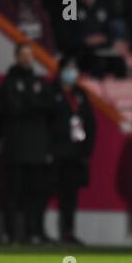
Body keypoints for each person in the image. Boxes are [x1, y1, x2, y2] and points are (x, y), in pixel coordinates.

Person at [0, 43, 54, 244]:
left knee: (36, 193)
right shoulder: (9, 83)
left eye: (30, 55)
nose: (28, 59)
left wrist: (29, 104)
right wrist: (34, 105)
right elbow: (11, 109)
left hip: (37, 149)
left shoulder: (40, 82)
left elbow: (49, 108)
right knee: (13, 193)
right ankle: (11, 234)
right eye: (24, 55)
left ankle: (33, 233)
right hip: (15, 148)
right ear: (16, 57)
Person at [50, 57, 96, 245]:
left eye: (74, 69)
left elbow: (91, 124)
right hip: (56, 151)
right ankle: (35, 231)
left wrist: (86, 150)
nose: (72, 72)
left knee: (71, 195)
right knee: (45, 191)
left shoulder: (81, 94)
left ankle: (68, 231)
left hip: (76, 153)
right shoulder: (52, 92)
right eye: (68, 69)